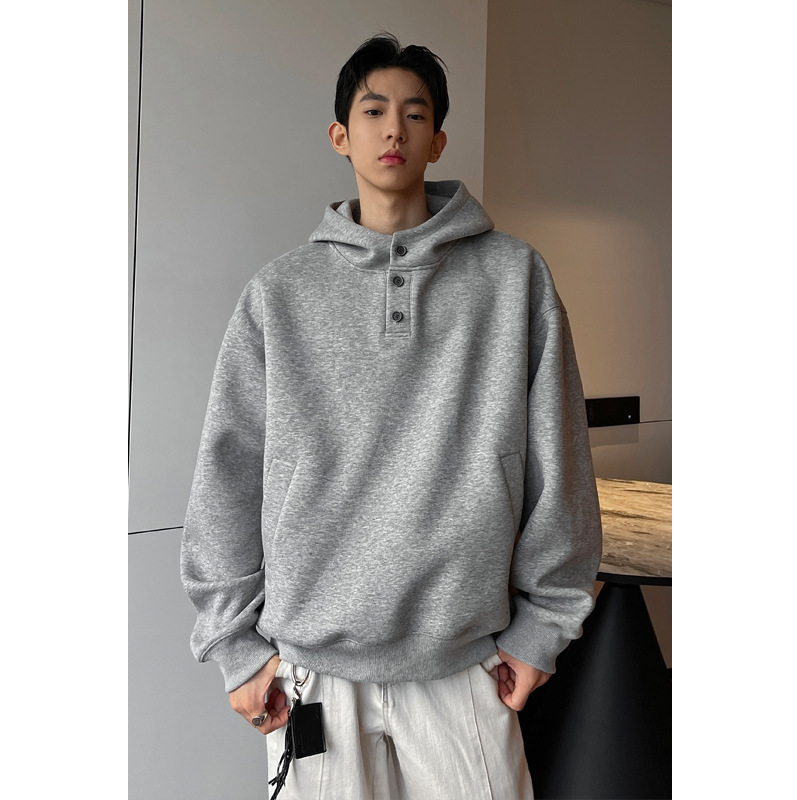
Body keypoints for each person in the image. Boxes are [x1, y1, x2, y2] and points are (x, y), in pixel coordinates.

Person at [180, 32, 603, 800]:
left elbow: (560, 462)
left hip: (465, 662)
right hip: (310, 670)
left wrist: (543, 628)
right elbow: (227, 473)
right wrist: (234, 646)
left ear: (437, 139)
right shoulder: (280, 294)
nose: (394, 129)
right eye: (373, 111)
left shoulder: (514, 279)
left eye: (415, 113)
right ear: (340, 135)